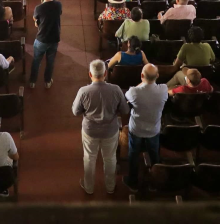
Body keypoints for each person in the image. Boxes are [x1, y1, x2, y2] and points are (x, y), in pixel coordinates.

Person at [72, 60, 129, 195]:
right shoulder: (115, 90)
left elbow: (75, 111)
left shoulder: (84, 91)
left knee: (89, 158)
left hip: (90, 131)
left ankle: (89, 187)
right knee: (110, 159)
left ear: (90, 74)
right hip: (110, 131)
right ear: (105, 73)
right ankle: (110, 187)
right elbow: (125, 110)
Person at [124, 63, 168, 192]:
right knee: (155, 155)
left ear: (142, 75)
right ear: (158, 76)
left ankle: (133, 181)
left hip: (136, 129)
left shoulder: (134, 92)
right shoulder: (163, 89)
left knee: (133, 154)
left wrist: (142, 82)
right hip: (154, 130)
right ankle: (155, 181)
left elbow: (127, 96)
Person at [31, 0, 61, 89]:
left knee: (36, 60)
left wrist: (37, 22)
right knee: (50, 61)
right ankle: (47, 81)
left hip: (41, 39)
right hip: (54, 39)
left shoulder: (38, 8)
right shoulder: (58, 5)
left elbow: (35, 19)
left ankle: (32, 82)